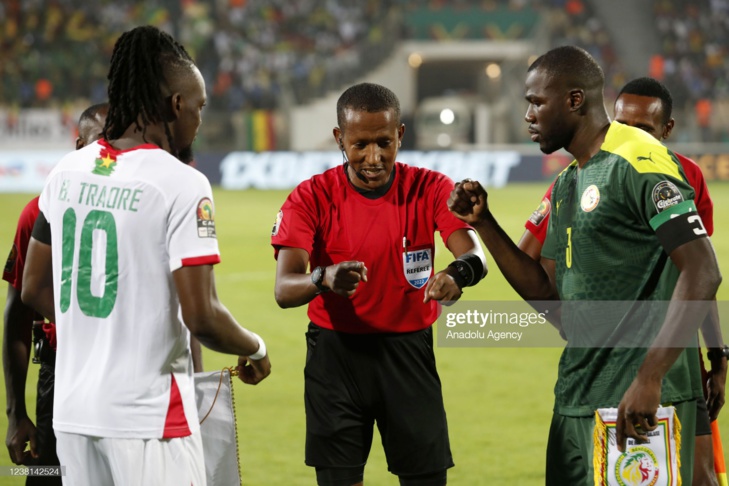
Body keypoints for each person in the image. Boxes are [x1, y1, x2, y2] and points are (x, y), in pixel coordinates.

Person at [448, 46, 722, 484]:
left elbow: (703, 270)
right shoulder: (567, 181)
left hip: (637, 402)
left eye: (537, 102)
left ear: (574, 100)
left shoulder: (638, 158)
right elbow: (543, 292)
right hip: (577, 396)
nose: (528, 115)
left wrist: (651, 377)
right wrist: (484, 223)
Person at [21, 25, 271, 485]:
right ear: (177, 105)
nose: (198, 119)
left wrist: (100, 329)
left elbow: (33, 286)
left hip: (74, 417)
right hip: (149, 419)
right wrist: (255, 347)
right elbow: (203, 316)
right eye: (199, 107)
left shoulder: (65, 171)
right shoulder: (181, 182)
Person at [271, 82, 487, 486]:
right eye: (360, 145)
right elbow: (284, 289)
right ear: (339, 139)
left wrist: (458, 275)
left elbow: (474, 254)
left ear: (400, 135)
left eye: (385, 143)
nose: (374, 157)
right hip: (335, 358)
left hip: (408, 354)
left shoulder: (431, 187)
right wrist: (324, 277)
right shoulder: (311, 197)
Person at [519, 76, 727, 486]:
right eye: (621, 124)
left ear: (666, 130)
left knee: (701, 475)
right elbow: (530, 259)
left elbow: (695, 271)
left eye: (642, 128)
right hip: (615, 370)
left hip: (674, 361)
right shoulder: (579, 176)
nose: (628, 134)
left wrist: (717, 356)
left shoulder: (682, 175)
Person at [3, 103, 107, 485]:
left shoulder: (143, 207)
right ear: (79, 145)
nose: (109, 152)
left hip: (124, 373)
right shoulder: (38, 213)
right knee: (51, 476)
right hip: (59, 375)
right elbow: (17, 317)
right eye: (100, 142)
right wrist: (16, 413)